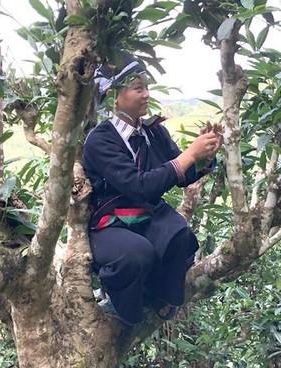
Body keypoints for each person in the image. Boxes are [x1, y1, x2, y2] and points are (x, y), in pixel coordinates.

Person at [82, 54, 223, 325]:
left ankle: (157, 298)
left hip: (147, 215)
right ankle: (122, 307)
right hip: (108, 223)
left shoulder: (154, 132)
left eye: (147, 87)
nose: (146, 94)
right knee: (135, 253)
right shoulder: (100, 140)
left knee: (179, 237)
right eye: (138, 88)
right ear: (114, 96)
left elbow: (182, 176)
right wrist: (188, 155)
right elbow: (139, 186)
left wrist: (203, 156)